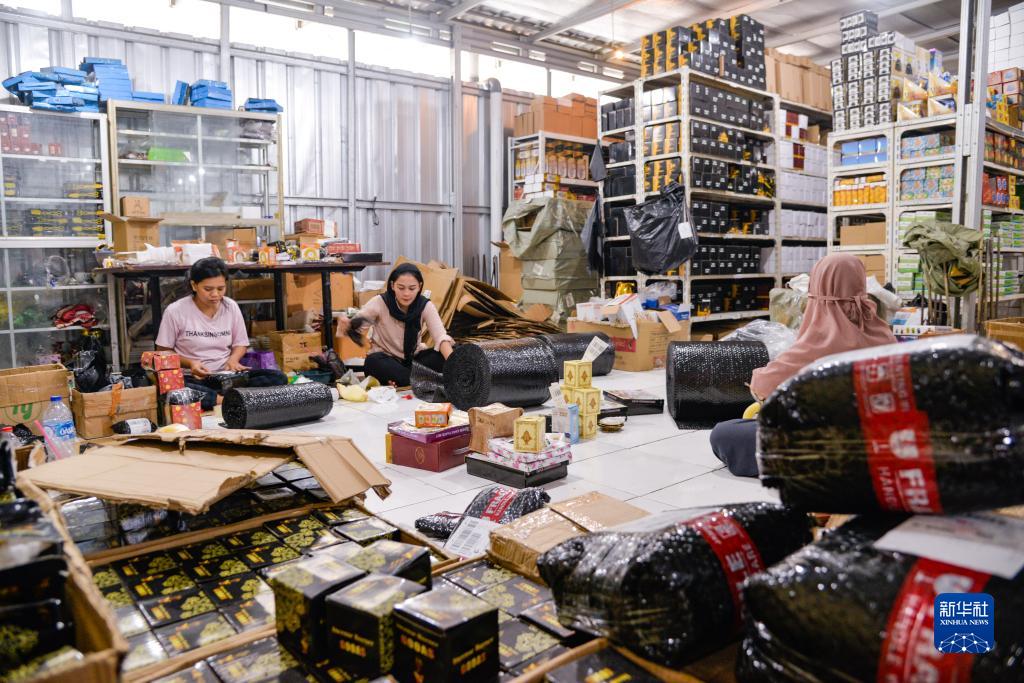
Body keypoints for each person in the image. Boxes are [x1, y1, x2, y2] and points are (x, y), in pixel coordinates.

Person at [710, 254, 898, 477]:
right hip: (883, 441)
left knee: (725, 433)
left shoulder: (818, 343)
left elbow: (762, 386)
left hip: (831, 445)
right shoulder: (884, 334)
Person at [156, 257, 288, 411]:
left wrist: (233, 360)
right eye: (208, 289)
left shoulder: (230, 307)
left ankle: (222, 399)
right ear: (194, 285)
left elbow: (241, 344)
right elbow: (163, 351)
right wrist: (191, 363)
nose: (215, 294)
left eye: (220, 288)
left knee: (278, 377)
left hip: (226, 377)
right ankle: (231, 399)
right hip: (193, 378)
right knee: (172, 387)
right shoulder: (175, 311)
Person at [335, 263, 454, 387]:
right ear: (392, 285)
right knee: (373, 362)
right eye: (401, 288)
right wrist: (347, 325)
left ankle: (407, 379)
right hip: (387, 360)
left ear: (419, 287)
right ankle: (423, 378)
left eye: (412, 288)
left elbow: (440, 337)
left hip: (413, 360)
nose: (406, 293)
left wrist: (454, 364)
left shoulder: (425, 305)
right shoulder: (380, 302)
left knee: (453, 352)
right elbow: (357, 326)